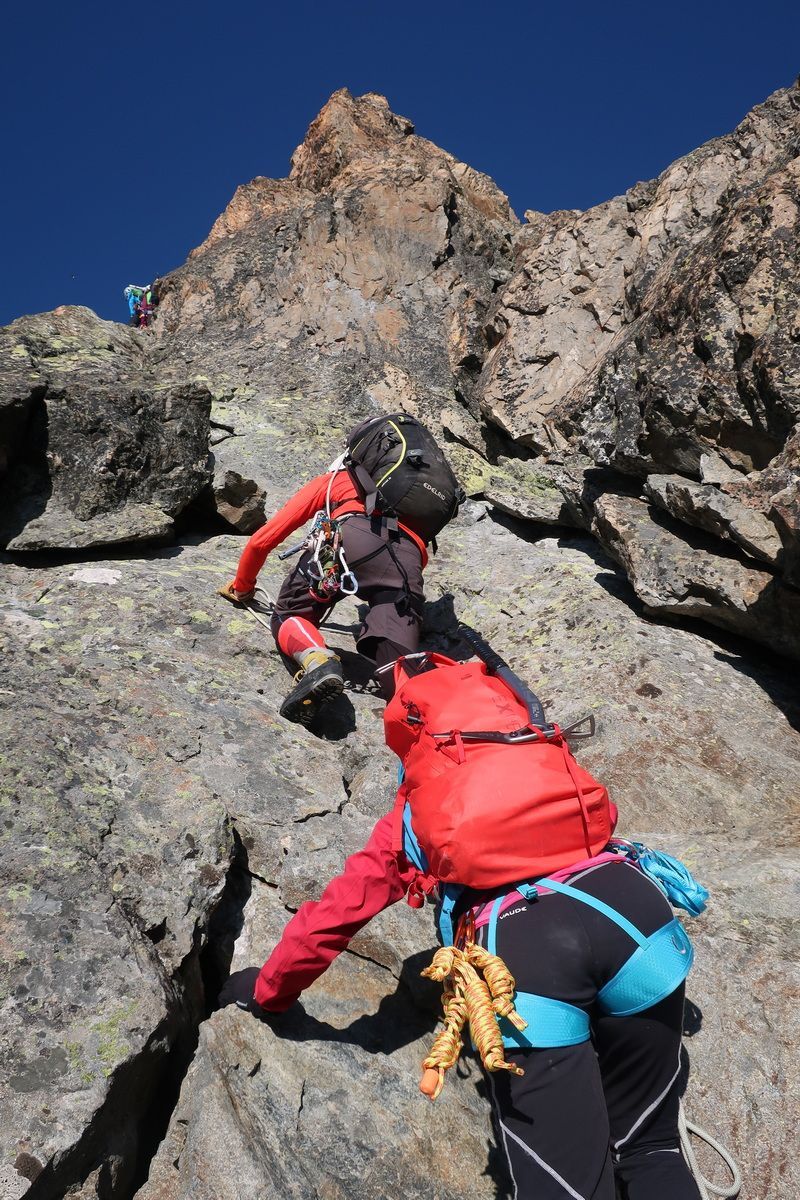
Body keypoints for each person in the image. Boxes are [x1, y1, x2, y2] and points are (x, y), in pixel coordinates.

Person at [222, 652, 704, 1200]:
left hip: (525, 953)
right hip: (636, 916)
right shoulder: (542, 753)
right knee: (649, 1147)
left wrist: (265, 991)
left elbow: (334, 917)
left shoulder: (415, 818)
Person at [221, 413, 461, 724]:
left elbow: (262, 542)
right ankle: (421, 713)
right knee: (400, 669)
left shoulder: (337, 480)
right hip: (407, 563)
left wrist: (243, 587)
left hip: (350, 543)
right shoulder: (412, 502)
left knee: (290, 614)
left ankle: (318, 661)